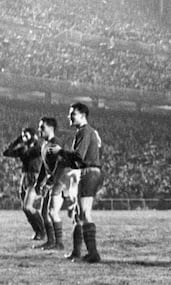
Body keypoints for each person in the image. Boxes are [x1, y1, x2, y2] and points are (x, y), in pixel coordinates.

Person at [49, 102, 103, 263]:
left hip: (88, 172)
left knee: (84, 214)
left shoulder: (85, 132)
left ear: (82, 115)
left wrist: (61, 152)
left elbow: (79, 156)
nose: (69, 116)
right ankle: (77, 252)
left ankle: (93, 254)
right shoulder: (88, 132)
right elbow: (78, 159)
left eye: (72, 113)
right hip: (90, 171)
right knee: (78, 215)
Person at [34, 117, 80, 250]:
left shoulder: (55, 144)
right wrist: (39, 182)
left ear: (51, 128)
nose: (39, 129)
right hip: (52, 179)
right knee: (44, 212)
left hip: (59, 179)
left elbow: (61, 164)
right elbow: (44, 165)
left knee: (52, 212)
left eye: (42, 127)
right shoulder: (45, 145)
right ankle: (51, 241)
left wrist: (51, 182)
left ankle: (58, 243)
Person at [3, 127, 44, 240]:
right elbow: (6, 152)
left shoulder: (37, 148)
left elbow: (30, 152)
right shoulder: (23, 148)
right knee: (24, 208)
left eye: (26, 135)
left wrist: (23, 145)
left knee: (28, 207)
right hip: (24, 177)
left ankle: (42, 230)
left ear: (33, 136)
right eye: (22, 136)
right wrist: (17, 140)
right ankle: (38, 231)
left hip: (34, 176)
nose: (24, 138)